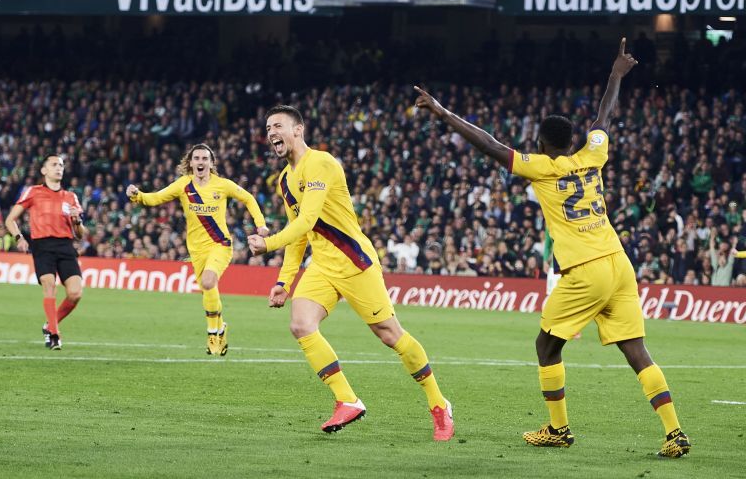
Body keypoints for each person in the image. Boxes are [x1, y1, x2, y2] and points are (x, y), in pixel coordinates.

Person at [413, 38, 690, 458]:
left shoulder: (541, 168)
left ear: (542, 144)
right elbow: (606, 115)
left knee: (547, 346)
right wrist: (616, 74)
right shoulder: (592, 155)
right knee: (636, 351)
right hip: (619, 263)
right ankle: (674, 432)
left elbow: (488, 145)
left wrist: (442, 112)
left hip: (586, 269)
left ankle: (559, 429)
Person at [247, 105, 454, 441]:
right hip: (323, 266)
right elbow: (298, 233)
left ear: (298, 129)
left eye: (278, 125)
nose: (271, 132)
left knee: (390, 335)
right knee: (301, 324)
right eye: (268, 127)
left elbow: (308, 220)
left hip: (354, 262)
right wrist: (284, 281)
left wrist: (268, 243)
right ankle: (347, 400)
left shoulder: (322, 163)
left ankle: (439, 404)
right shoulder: (285, 180)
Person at [126, 143, 268, 356]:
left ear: (211, 163)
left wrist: (261, 224)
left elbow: (248, 198)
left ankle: (212, 333)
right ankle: (221, 328)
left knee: (209, 281)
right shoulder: (184, 184)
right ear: (190, 163)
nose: (201, 162)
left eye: (205, 159)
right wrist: (137, 195)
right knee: (208, 289)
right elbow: (156, 198)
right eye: (197, 158)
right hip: (196, 250)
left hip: (220, 245)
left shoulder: (222, 185)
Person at [5, 154, 87, 351]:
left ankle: (49, 324)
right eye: (54, 165)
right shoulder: (33, 192)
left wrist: (77, 221)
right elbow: (10, 219)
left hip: (66, 246)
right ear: (44, 171)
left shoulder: (70, 197)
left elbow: (80, 235)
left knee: (75, 293)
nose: (58, 168)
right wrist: (19, 238)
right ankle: (55, 334)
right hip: (42, 245)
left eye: (61, 165)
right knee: (49, 285)